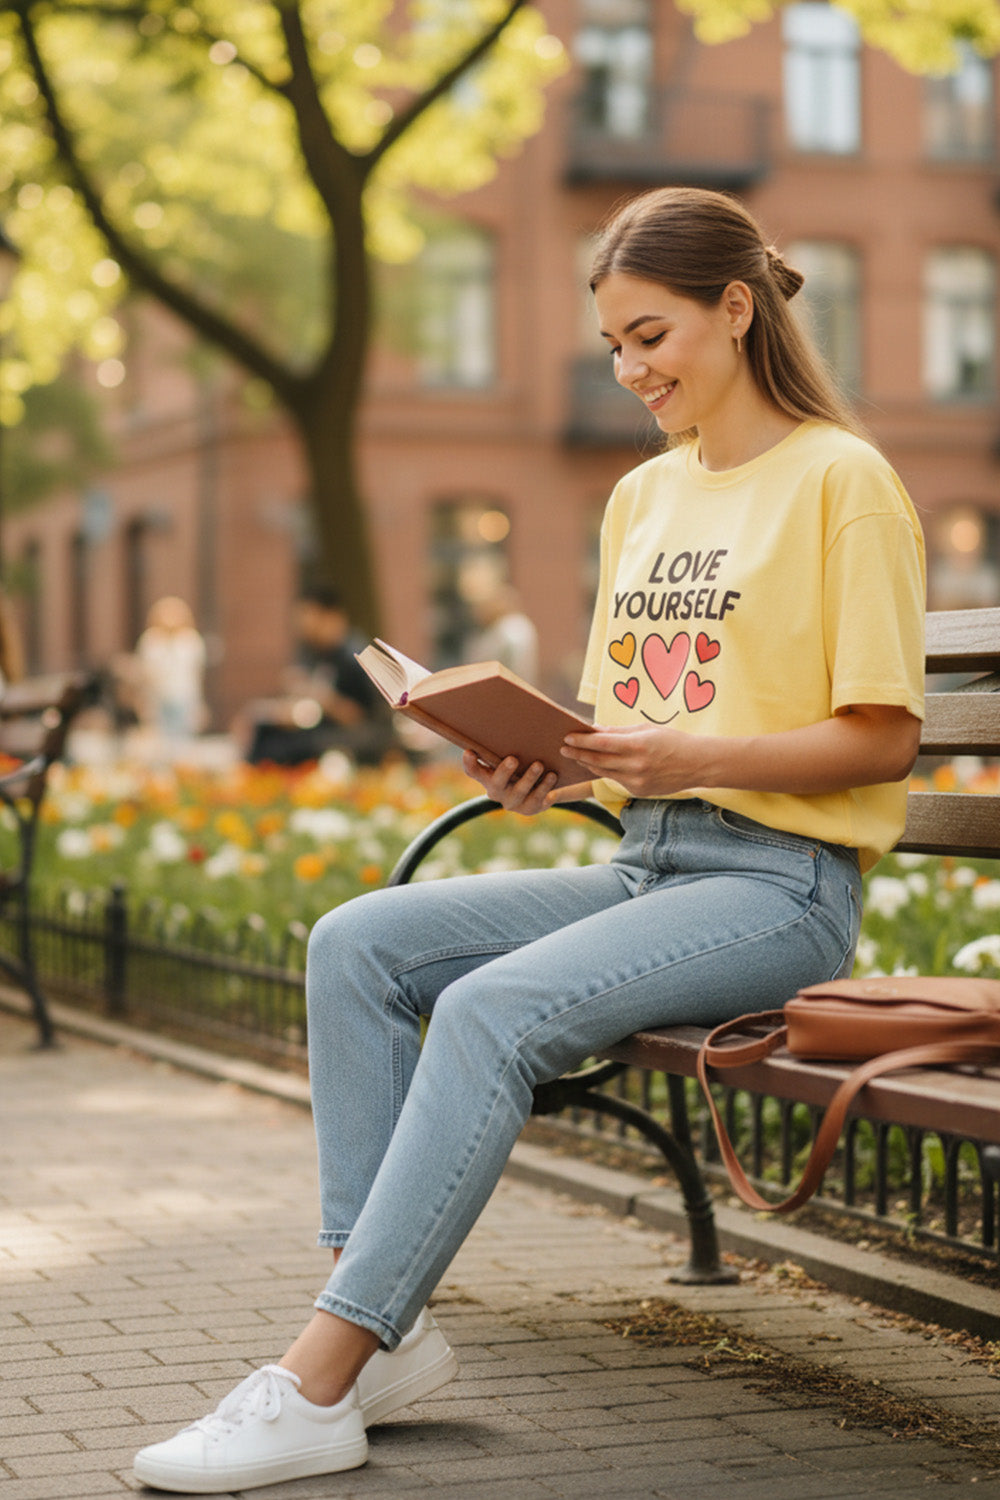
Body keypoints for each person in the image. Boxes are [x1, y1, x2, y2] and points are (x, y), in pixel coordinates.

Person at [134, 186, 926, 1492]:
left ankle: (316, 1378)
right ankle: (378, 1326)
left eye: (652, 336)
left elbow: (882, 739)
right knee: (356, 944)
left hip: (781, 887)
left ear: (737, 311)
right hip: (649, 861)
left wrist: (690, 759)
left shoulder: (844, 482)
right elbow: (631, 737)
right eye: (614, 343)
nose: (631, 371)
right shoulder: (642, 501)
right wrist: (540, 767)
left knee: (492, 1009)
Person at [242, 585, 391, 766]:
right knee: (265, 732)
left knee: (287, 747)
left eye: (309, 616)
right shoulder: (314, 654)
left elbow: (363, 718)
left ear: (331, 616)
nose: (303, 626)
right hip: (321, 730)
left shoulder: (356, 656)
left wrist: (320, 698)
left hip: (356, 739)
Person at [135, 596, 206, 744]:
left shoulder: (190, 640)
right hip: (158, 696)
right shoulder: (151, 640)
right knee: (160, 737)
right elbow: (146, 672)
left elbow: (196, 674)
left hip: (183, 694)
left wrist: (199, 704)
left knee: (183, 736)